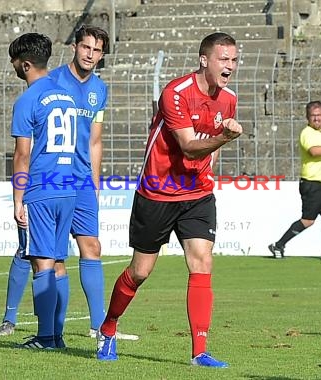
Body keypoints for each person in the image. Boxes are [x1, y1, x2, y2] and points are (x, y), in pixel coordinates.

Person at [96, 32, 243, 368]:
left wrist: (209, 172)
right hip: (158, 193)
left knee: (202, 262)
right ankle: (109, 326)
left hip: (198, 194)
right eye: (224, 59)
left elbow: (209, 151)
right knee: (141, 271)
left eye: (234, 60)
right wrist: (224, 137)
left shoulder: (229, 99)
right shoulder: (175, 94)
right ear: (204, 60)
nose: (230, 66)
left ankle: (199, 352)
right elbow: (190, 145)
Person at [0, 25, 138, 342]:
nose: (91, 54)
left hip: (74, 180)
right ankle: (15, 319)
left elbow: (95, 140)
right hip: (57, 177)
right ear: (74, 47)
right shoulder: (55, 82)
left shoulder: (98, 90)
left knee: (81, 249)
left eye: (97, 50)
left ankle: (91, 327)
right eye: (86, 47)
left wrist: (95, 182)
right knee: (38, 254)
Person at [9, 32, 78, 349]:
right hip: (67, 186)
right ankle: (57, 335)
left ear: (24, 65)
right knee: (60, 262)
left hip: (41, 187)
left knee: (41, 262)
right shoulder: (67, 95)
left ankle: (46, 337)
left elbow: (22, 154)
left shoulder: (28, 99)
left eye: (13, 62)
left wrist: (18, 198)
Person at [268, 100, 321, 261]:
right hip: (313, 185)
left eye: (319, 115)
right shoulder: (307, 133)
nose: (316, 119)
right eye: (313, 116)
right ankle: (279, 244)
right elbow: (313, 151)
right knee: (308, 221)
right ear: (308, 118)